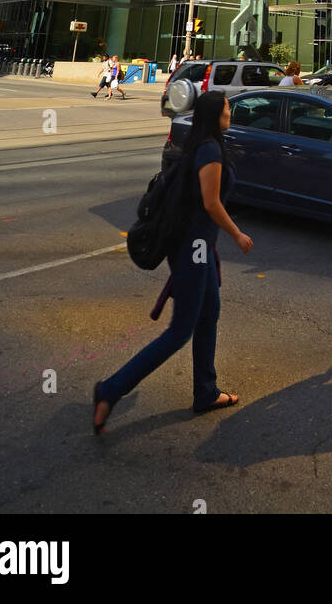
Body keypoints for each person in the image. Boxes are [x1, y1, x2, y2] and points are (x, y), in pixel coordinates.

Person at [92, 91, 253, 432]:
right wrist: (238, 235)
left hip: (197, 247)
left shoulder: (202, 143)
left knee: (209, 314)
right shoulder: (210, 149)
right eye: (226, 107)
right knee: (180, 331)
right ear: (215, 114)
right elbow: (211, 204)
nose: (230, 112)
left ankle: (205, 391)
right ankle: (110, 389)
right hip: (194, 248)